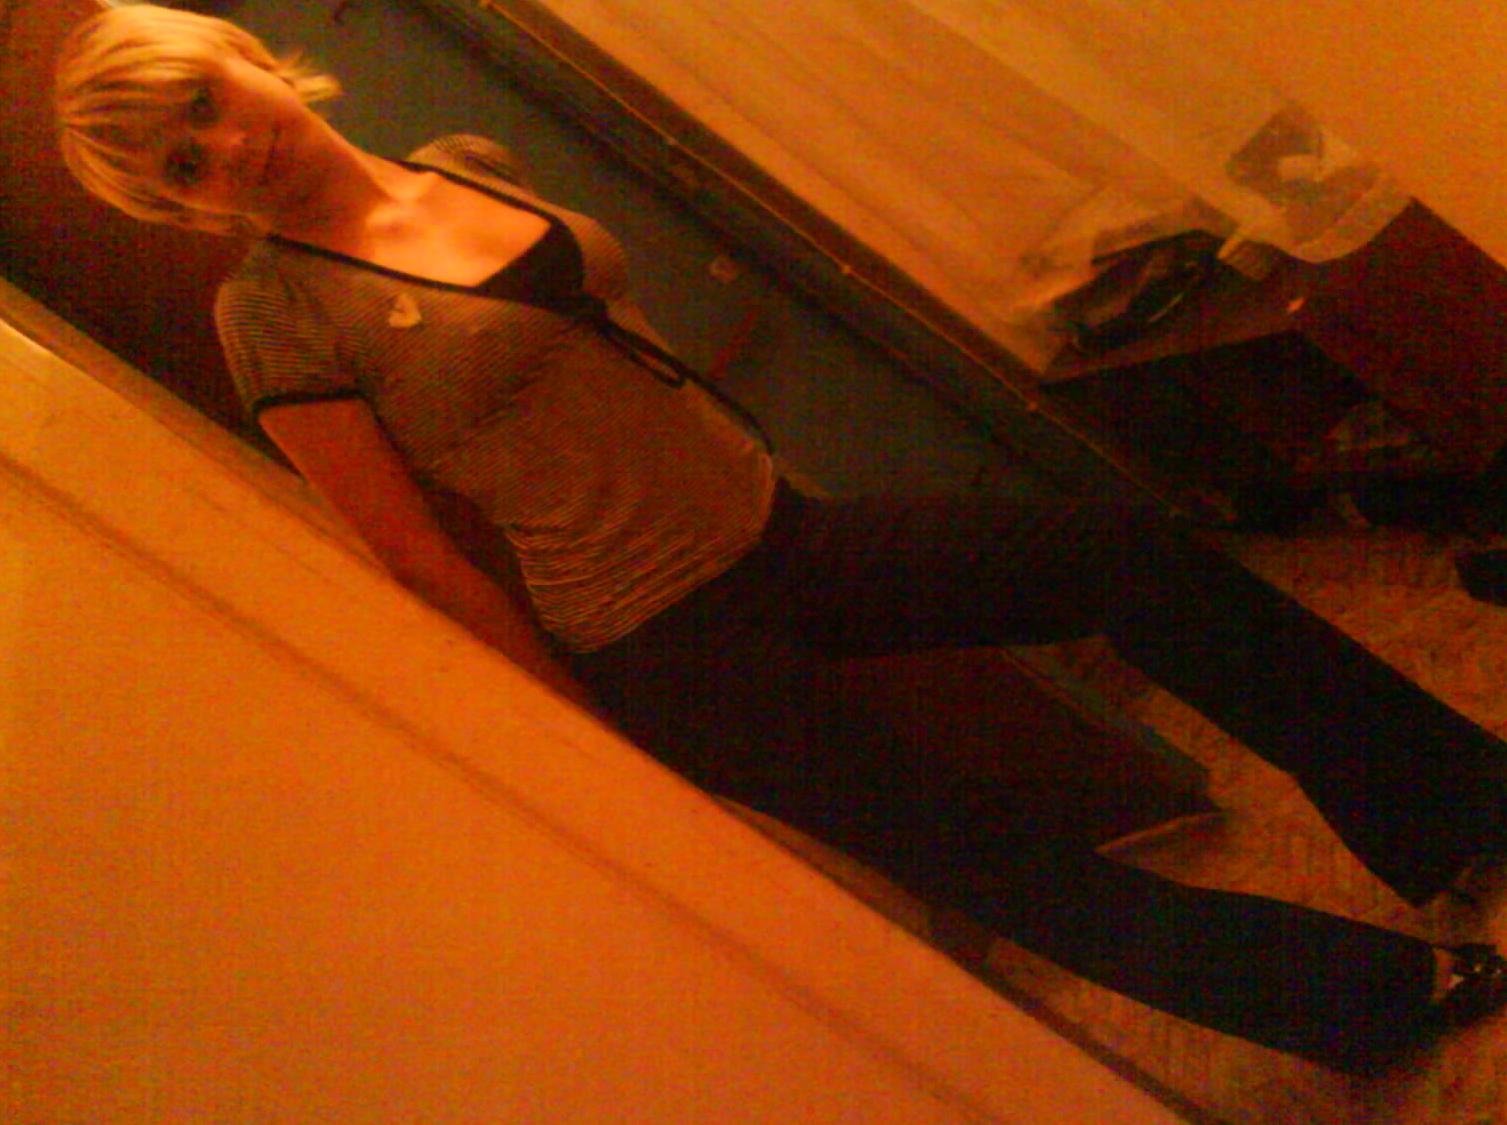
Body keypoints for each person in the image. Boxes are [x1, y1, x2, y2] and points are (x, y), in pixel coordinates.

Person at [54, 4, 1507, 1072]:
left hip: (779, 530)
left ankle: (1446, 808)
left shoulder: (467, 160)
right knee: (989, 851)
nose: (224, 150)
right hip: (658, 638)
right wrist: (584, 746)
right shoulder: (271, 315)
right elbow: (418, 559)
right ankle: (1375, 1000)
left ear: (239, 53)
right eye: (180, 167)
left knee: (1127, 552)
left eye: (204, 106)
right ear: (177, 205)